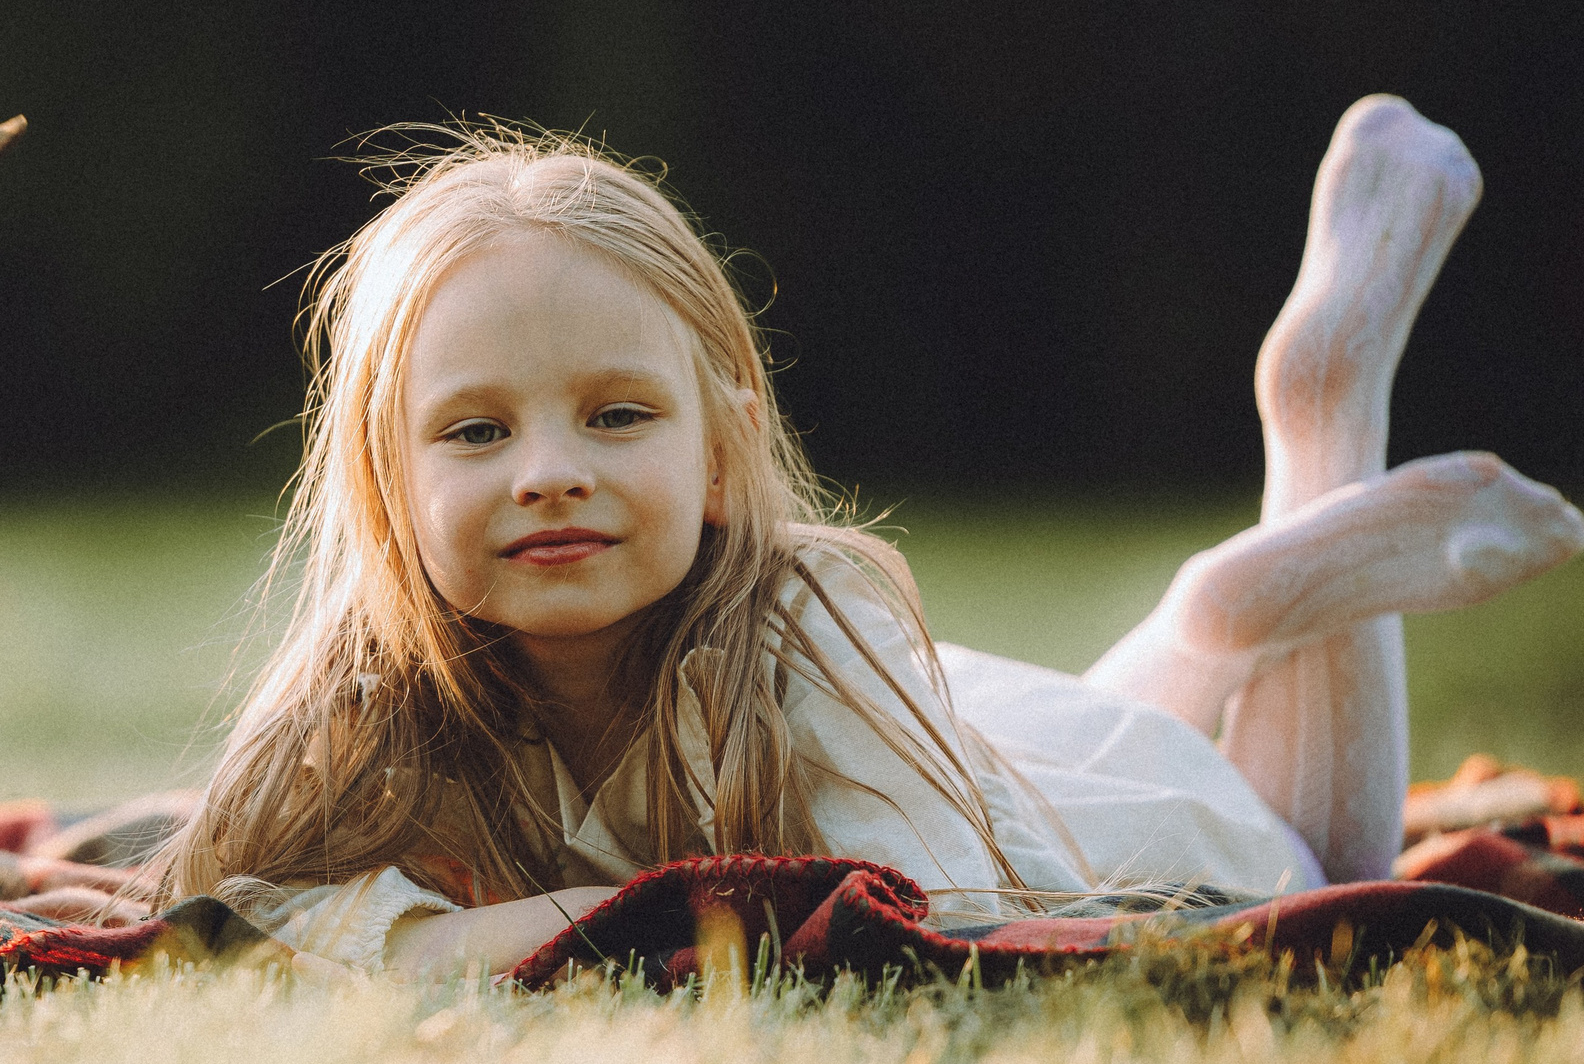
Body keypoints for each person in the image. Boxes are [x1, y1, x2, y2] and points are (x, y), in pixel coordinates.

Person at [162, 98, 1584, 979]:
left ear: (721, 456)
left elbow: (929, 916)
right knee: (1105, 714)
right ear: (383, 486)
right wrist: (579, 921)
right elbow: (260, 926)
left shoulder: (802, 642)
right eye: (475, 433)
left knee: (1334, 850)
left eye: (613, 416)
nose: (547, 474)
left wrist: (553, 928)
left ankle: (1325, 415)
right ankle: (1215, 613)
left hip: (1129, 830)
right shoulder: (370, 692)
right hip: (1015, 733)